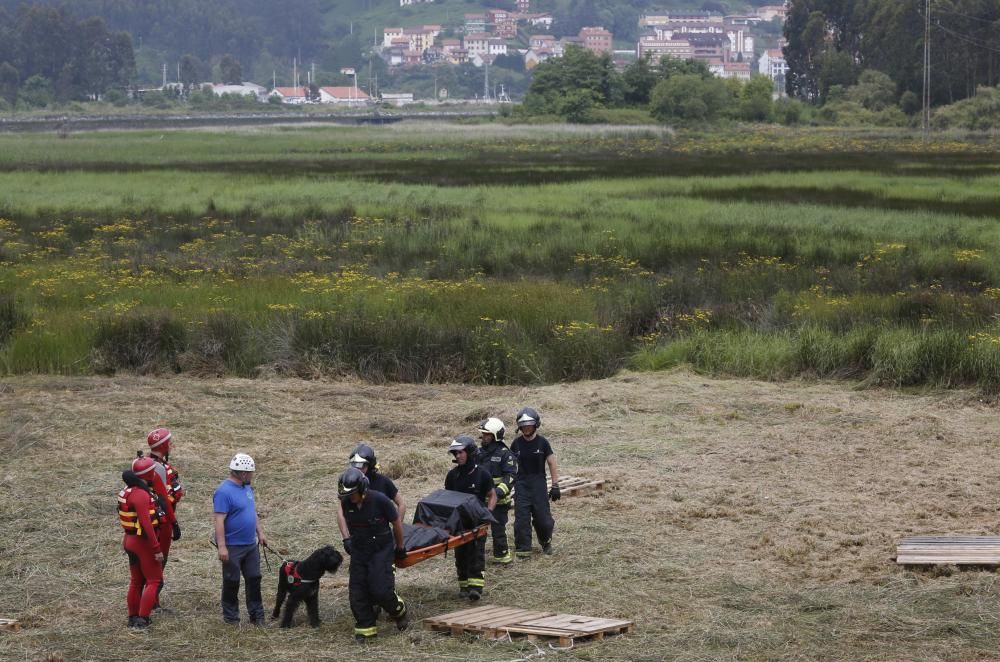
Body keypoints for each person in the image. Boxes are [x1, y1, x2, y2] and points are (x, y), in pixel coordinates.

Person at [336, 467, 409, 643]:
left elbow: (396, 523)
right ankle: (366, 628)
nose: (348, 499)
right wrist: (347, 539)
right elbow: (342, 517)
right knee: (357, 592)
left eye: (352, 494)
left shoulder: (381, 500)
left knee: (381, 590)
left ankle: (399, 610)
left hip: (381, 550)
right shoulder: (347, 503)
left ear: (361, 489)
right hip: (360, 551)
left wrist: (399, 547)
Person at [212, 453, 268, 626]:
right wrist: (222, 546)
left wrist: (260, 532)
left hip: (251, 545)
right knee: (231, 581)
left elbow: (252, 512)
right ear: (242, 473)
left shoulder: (246, 488)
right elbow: (218, 520)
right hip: (232, 546)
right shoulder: (223, 492)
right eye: (250, 473)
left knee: (254, 578)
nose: (252, 476)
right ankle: (231, 618)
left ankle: (257, 616)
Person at [445, 435, 496, 600]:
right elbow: (447, 499)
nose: (457, 456)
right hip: (459, 522)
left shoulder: (482, 474)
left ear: (469, 452)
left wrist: (487, 513)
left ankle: (475, 588)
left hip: (477, 522)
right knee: (460, 554)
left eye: (460, 452)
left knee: (476, 553)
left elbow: (492, 495)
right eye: (455, 453)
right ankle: (464, 586)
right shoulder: (452, 476)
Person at [118, 457, 166, 629]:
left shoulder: (128, 491)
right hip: (142, 543)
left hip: (129, 540)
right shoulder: (141, 495)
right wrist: (156, 548)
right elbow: (146, 524)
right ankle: (143, 619)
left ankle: (133, 617)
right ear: (148, 474)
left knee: (136, 581)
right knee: (154, 580)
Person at [510, 407, 560, 559]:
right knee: (522, 520)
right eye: (523, 425)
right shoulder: (516, 444)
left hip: (538, 484)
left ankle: (546, 542)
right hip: (521, 485)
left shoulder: (543, 442)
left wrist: (555, 485)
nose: (526, 428)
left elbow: (551, 462)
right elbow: (509, 465)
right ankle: (523, 550)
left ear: (536, 425)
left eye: (529, 425)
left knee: (543, 519)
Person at [144, 427, 184, 612]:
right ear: (165, 445)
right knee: (159, 562)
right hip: (164, 522)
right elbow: (169, 496)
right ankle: (152, 603)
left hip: (150, 521)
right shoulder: (163, 469)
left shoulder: (143, 465)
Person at [476, 417, 517, 564]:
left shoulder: (506, 455)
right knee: (478, 532)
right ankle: (477, 557)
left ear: (495, 435)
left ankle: (503, 558)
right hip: (480, 502)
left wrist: (498, 492)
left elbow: (511, 477)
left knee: (498, 531)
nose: (483, 437)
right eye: (483, 434)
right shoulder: (478, 453)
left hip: (499, 502)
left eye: (487, 434)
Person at [347, 443, 406, 519]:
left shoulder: (383, 481)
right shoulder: (348, 482)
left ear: (370, 465)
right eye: (355, 465)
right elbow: (340, 510)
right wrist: (345, 531)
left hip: (380, 529)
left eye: (361, 465)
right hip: (356, 528)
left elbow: (402, 504)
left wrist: (397, 528)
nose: (358, 469)